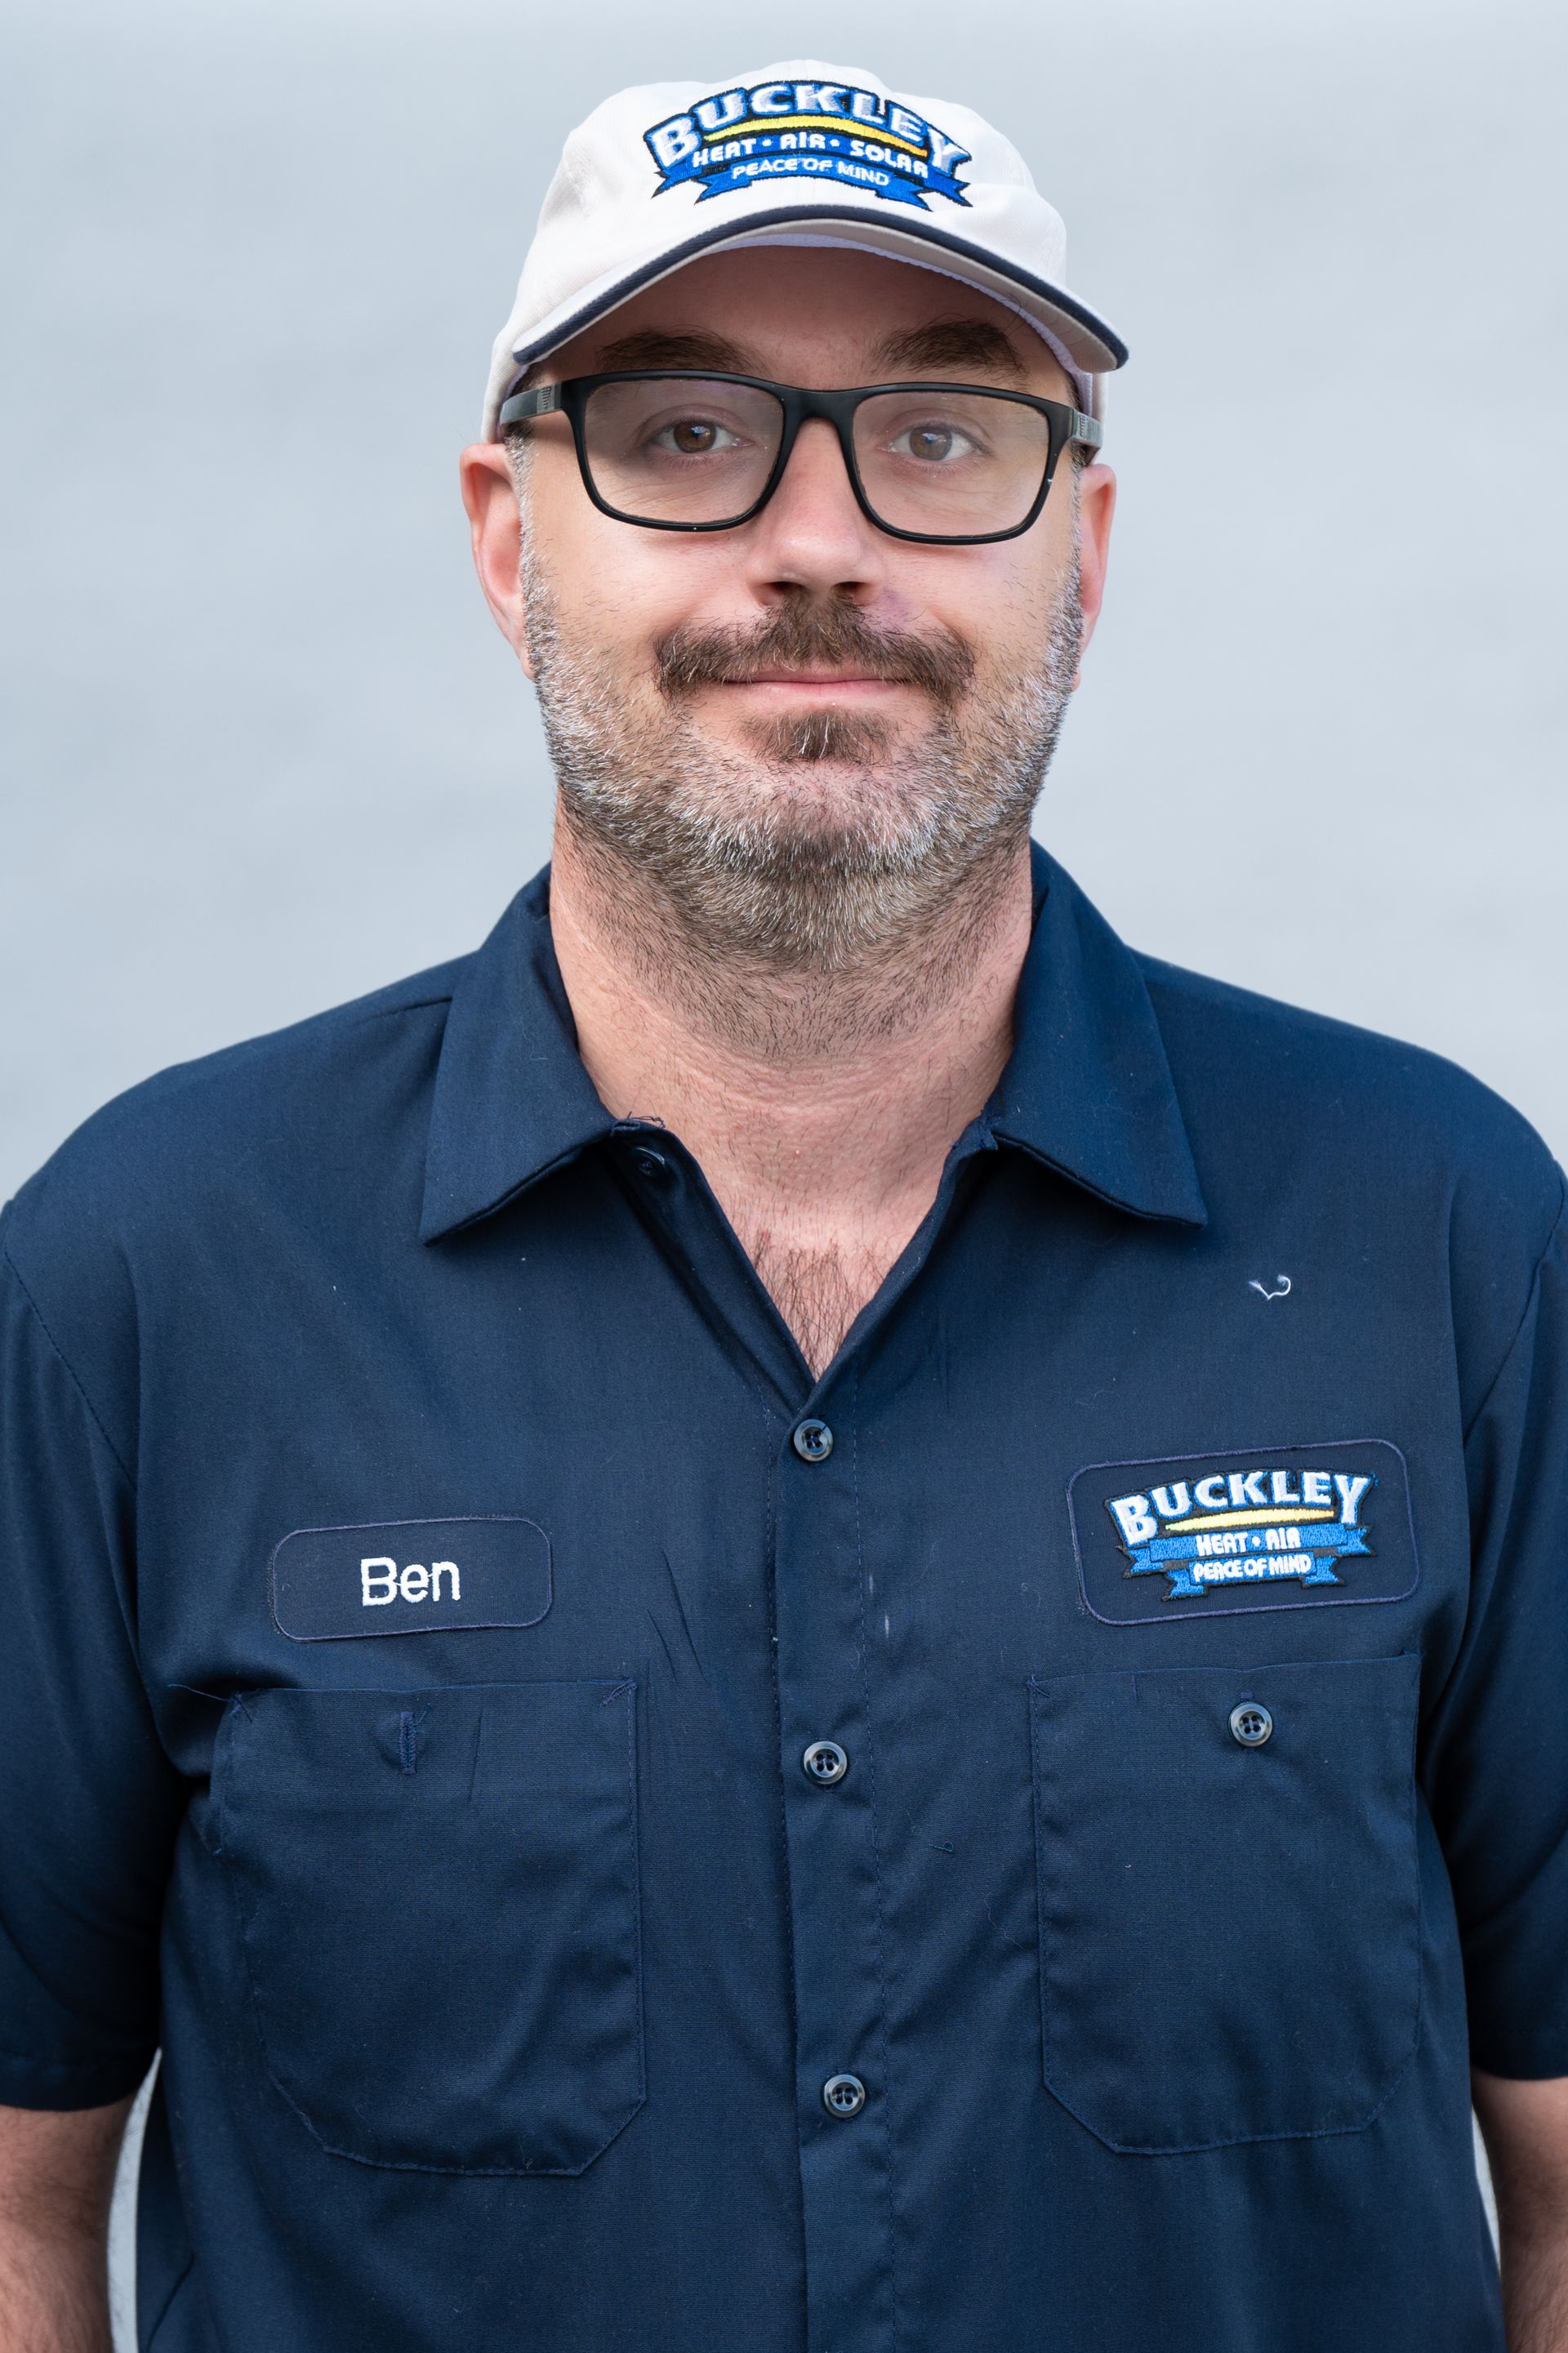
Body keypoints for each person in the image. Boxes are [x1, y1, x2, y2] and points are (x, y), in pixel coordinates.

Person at [0, 56, 1564, 2353]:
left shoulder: (1445, 1241)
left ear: (1084, 554)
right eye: (682, 429)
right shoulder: (147, 1276)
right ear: (508, 531)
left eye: (941, 437)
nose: (818, 541)